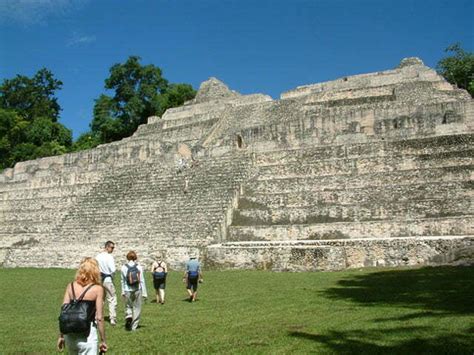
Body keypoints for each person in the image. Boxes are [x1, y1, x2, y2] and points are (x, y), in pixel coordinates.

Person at [57, 257, 108, 354]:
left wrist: (61, 336)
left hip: (70, 336)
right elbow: (99, 317)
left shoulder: (70, 286)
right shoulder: (97, 289)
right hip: (88, 335)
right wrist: (103, 340)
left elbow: (63, 312)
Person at [121, 251, 147, 331]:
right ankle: (134, 326)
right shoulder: (139, 267)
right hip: (137, 289)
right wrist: (144, 293)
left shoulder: (123, 267)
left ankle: (129, 316)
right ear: (135, 257)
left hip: (127, 289)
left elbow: (123, 280)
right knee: (137, 307)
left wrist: (122, 291)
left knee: (128, 306)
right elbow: (142, 280)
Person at [95, 241, 117, 326]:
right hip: (107, 279)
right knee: (112, 298)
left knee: (100, 299)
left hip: (99, 279)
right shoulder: (109, 257)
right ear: (107, 247)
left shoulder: (98, 256)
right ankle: (112, 318)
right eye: (112, 248)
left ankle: (97, 317)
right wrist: (112, 276)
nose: (112, 249)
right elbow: (113, 270)